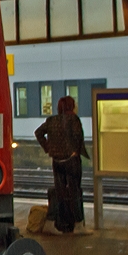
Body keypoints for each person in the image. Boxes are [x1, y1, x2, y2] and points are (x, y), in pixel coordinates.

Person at [35, 95, 88, 233]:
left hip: (57, 161)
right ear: (71, 106)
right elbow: (78, 137)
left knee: (59, 193)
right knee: (74, 191)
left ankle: (50, 223)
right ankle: (78, 225)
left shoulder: (52, 120)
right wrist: (75, 151)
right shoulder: (73, 119)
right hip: (71, 161)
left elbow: (38, 132)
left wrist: (48, 148)